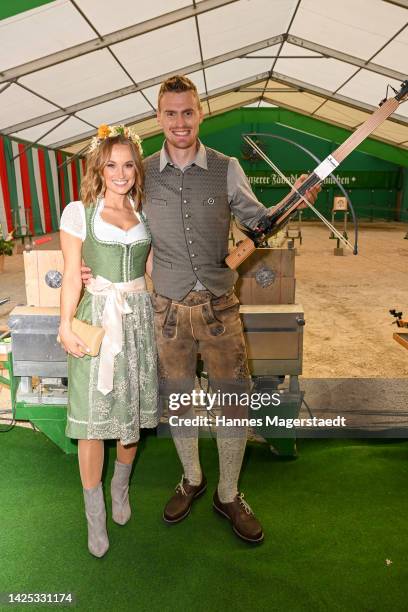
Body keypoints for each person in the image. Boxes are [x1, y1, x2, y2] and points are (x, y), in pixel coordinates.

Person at [83, 75, 320, 544]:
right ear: (158, 118)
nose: (179, 122)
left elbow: (258, 223)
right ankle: (192, 478)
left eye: (187, 112)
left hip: (219, 307)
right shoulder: (141, 173)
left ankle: (228, 493)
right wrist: (95, 270)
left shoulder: (227, 168)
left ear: (200, 113)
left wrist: (292, 203)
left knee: (232, 401)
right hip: (165, 311)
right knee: (179, 403)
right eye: (170, 113)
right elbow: (112, 223)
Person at [59, 125, 159, 558]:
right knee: (91, 425)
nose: (121, 173)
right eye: (112, 165)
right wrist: (64, 324)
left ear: (138, 169)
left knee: (129, 420)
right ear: (99, 168)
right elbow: (69, 273)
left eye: (128, 165)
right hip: (97, 321)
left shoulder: (144, 212)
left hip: (137, 323)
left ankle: (120, 488)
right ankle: (94, 516)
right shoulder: (78, 212)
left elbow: (151, 274)